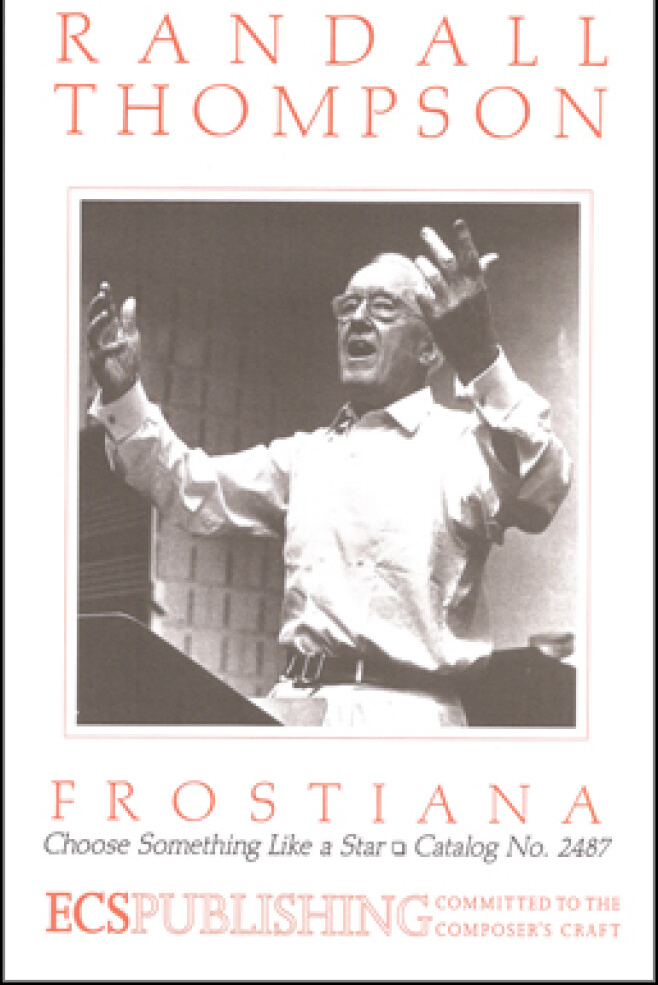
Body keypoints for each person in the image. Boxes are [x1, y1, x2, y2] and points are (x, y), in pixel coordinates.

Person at [87, 219, 571, 728]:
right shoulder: (305, 457)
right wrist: (123, 395)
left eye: (383, 308)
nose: (357, 319)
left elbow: (543, 486)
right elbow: (188, 485)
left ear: (429, 350)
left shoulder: (463, 446)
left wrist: (481, 358)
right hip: (296, 709)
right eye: (348, 306)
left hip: (407, 720)